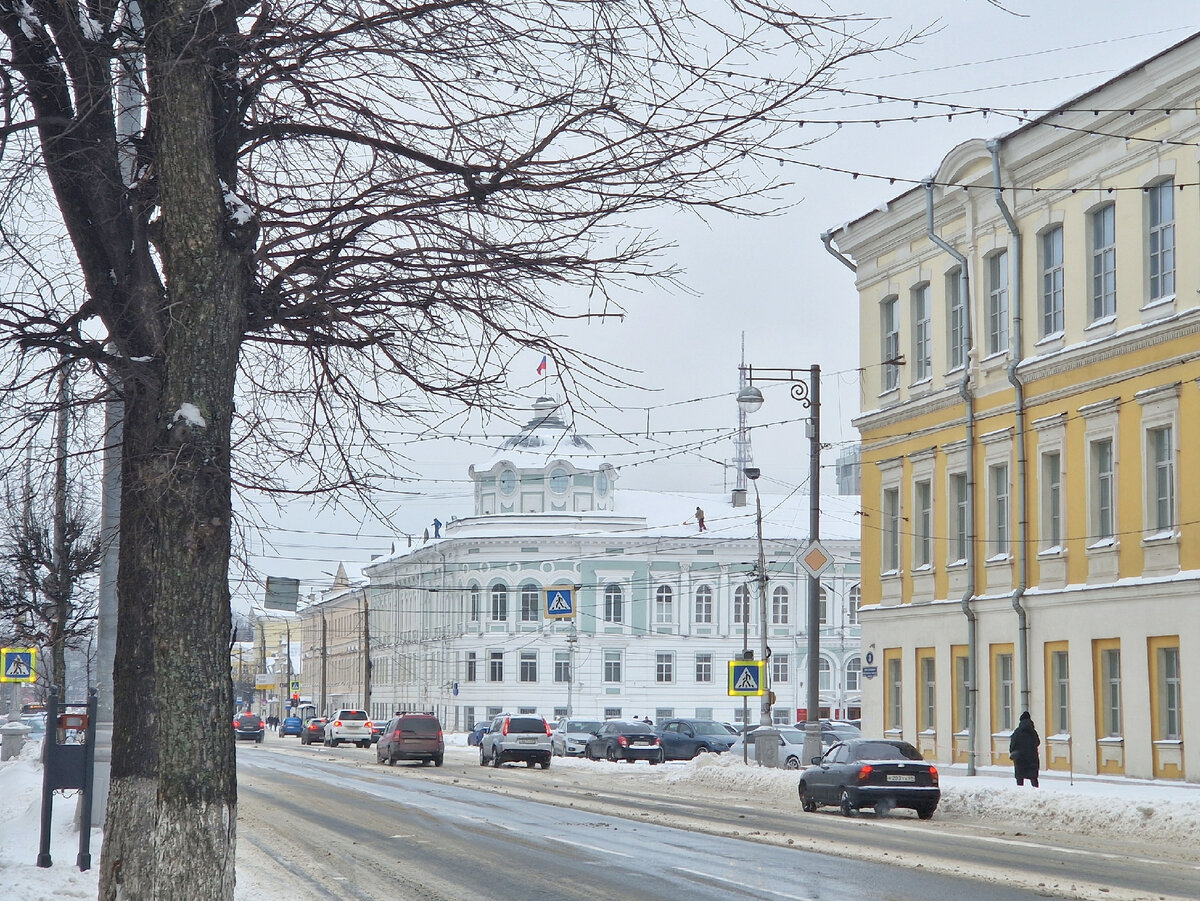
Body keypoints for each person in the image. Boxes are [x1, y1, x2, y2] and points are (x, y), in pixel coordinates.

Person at [1009, 710, 1041, 787]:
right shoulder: (1033, 732)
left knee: (1020, 778)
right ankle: (1036, 791)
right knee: (1033, 777)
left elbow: (1012, 745)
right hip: (1032, 757)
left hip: (1020, 758)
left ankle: (1020, 791)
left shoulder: (1017, 732)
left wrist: (1013, 752)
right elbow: (1037, 742)